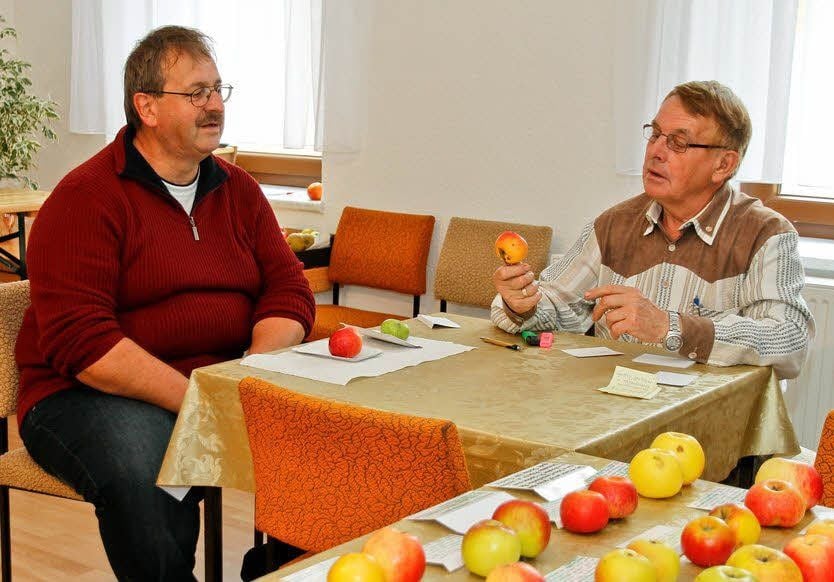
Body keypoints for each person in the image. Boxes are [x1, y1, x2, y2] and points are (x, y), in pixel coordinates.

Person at [15, 26, 315, 580]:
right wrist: (206, 401)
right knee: (148, 469)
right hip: (85, 393)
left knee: (344, 435)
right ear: (146, 107)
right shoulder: (85, 198)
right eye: (196, 92)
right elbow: (82, 343)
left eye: (219, 89)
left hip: (215, 382)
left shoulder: (238, 190)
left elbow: (289, 289)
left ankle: (279, 568)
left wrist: (250, 371)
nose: (215, 105)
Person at [492, 80, 813, 380]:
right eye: (656, 134)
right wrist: (524, 304)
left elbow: (790, 341)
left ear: (723, 165)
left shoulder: (764, 235)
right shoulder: (614, 224)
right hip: (613, 414)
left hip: (708, 426)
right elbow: (560, 306)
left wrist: (671, 327)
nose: (656, 151)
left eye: (679, 142)